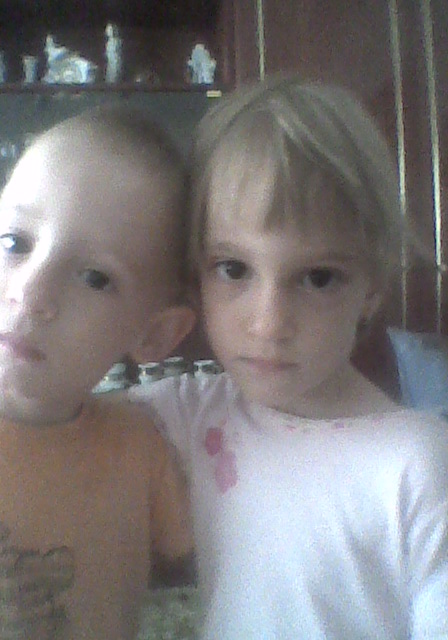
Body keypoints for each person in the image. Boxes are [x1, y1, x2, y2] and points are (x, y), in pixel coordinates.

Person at [129, 76, 448, 639]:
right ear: (195, 275)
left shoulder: (419, 464)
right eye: (233, 269)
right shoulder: (187, 416)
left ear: (372, 286)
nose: (270, 324)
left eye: (318, 278)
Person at [0, 104, 195, 640]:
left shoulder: (142, 448)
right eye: (16, 243)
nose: (31, 293)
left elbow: (188, 577)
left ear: (155, 334)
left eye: (94, 277)